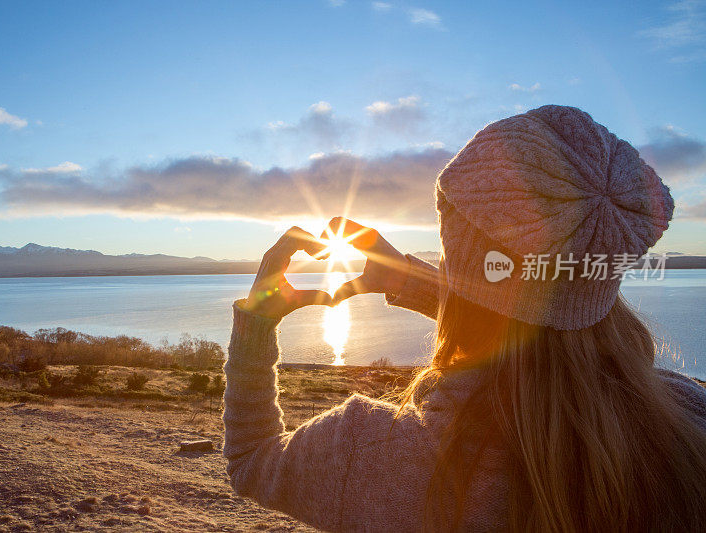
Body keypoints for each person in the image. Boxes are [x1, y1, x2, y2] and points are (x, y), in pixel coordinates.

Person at [222, 105, 706, 532]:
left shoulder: (367, 454)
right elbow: (539, 315)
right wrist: (418, 281)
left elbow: (250, 460)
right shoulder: (687, 421)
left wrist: (255, 328)